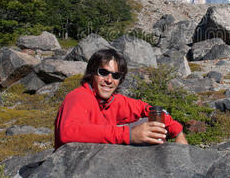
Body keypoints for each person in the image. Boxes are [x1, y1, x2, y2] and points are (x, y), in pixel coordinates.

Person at [54, 48, 188, 149]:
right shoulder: (78, 97)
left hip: (101, 159)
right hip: (74, 166)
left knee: (152, 123)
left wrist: (178, 132)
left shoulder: (114, 101)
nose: (109, 80)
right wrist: (129, 135)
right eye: (103, 72)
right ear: (92, 73)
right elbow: (68, 132)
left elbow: (148, 109)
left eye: (116, 76)